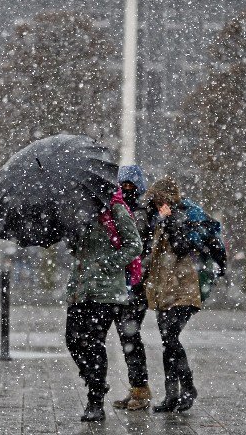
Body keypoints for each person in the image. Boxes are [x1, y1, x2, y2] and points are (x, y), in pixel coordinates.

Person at [65, 188, 142, 422]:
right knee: (72, 339)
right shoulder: (79, 211)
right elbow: (78, 250)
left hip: (106, 292)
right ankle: (94, 380)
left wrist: (108, 264)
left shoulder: (115, 210)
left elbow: (134, 245)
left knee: (94, 342)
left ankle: (95, 400)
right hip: (80, 289)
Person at [144, 177, 201, 413]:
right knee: (168, 343)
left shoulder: (179, 218)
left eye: (159, 200)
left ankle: (188, 387)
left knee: (170, 338)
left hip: (182, 291)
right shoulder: (159, 219)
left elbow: (181, 247)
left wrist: (168, 222)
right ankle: (171, 395)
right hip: (164, 291)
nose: (157, 204)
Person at [112, 165, 156, 411]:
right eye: (123, 185)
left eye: (131, 185)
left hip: (135, 285)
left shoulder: (143, 212)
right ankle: (137, 388)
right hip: (123, 284)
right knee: (126, 336)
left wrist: (138, 272)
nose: (127, 189)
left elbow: (142, 247)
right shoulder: (121, 208)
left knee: (130, 336)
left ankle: (140, 389)